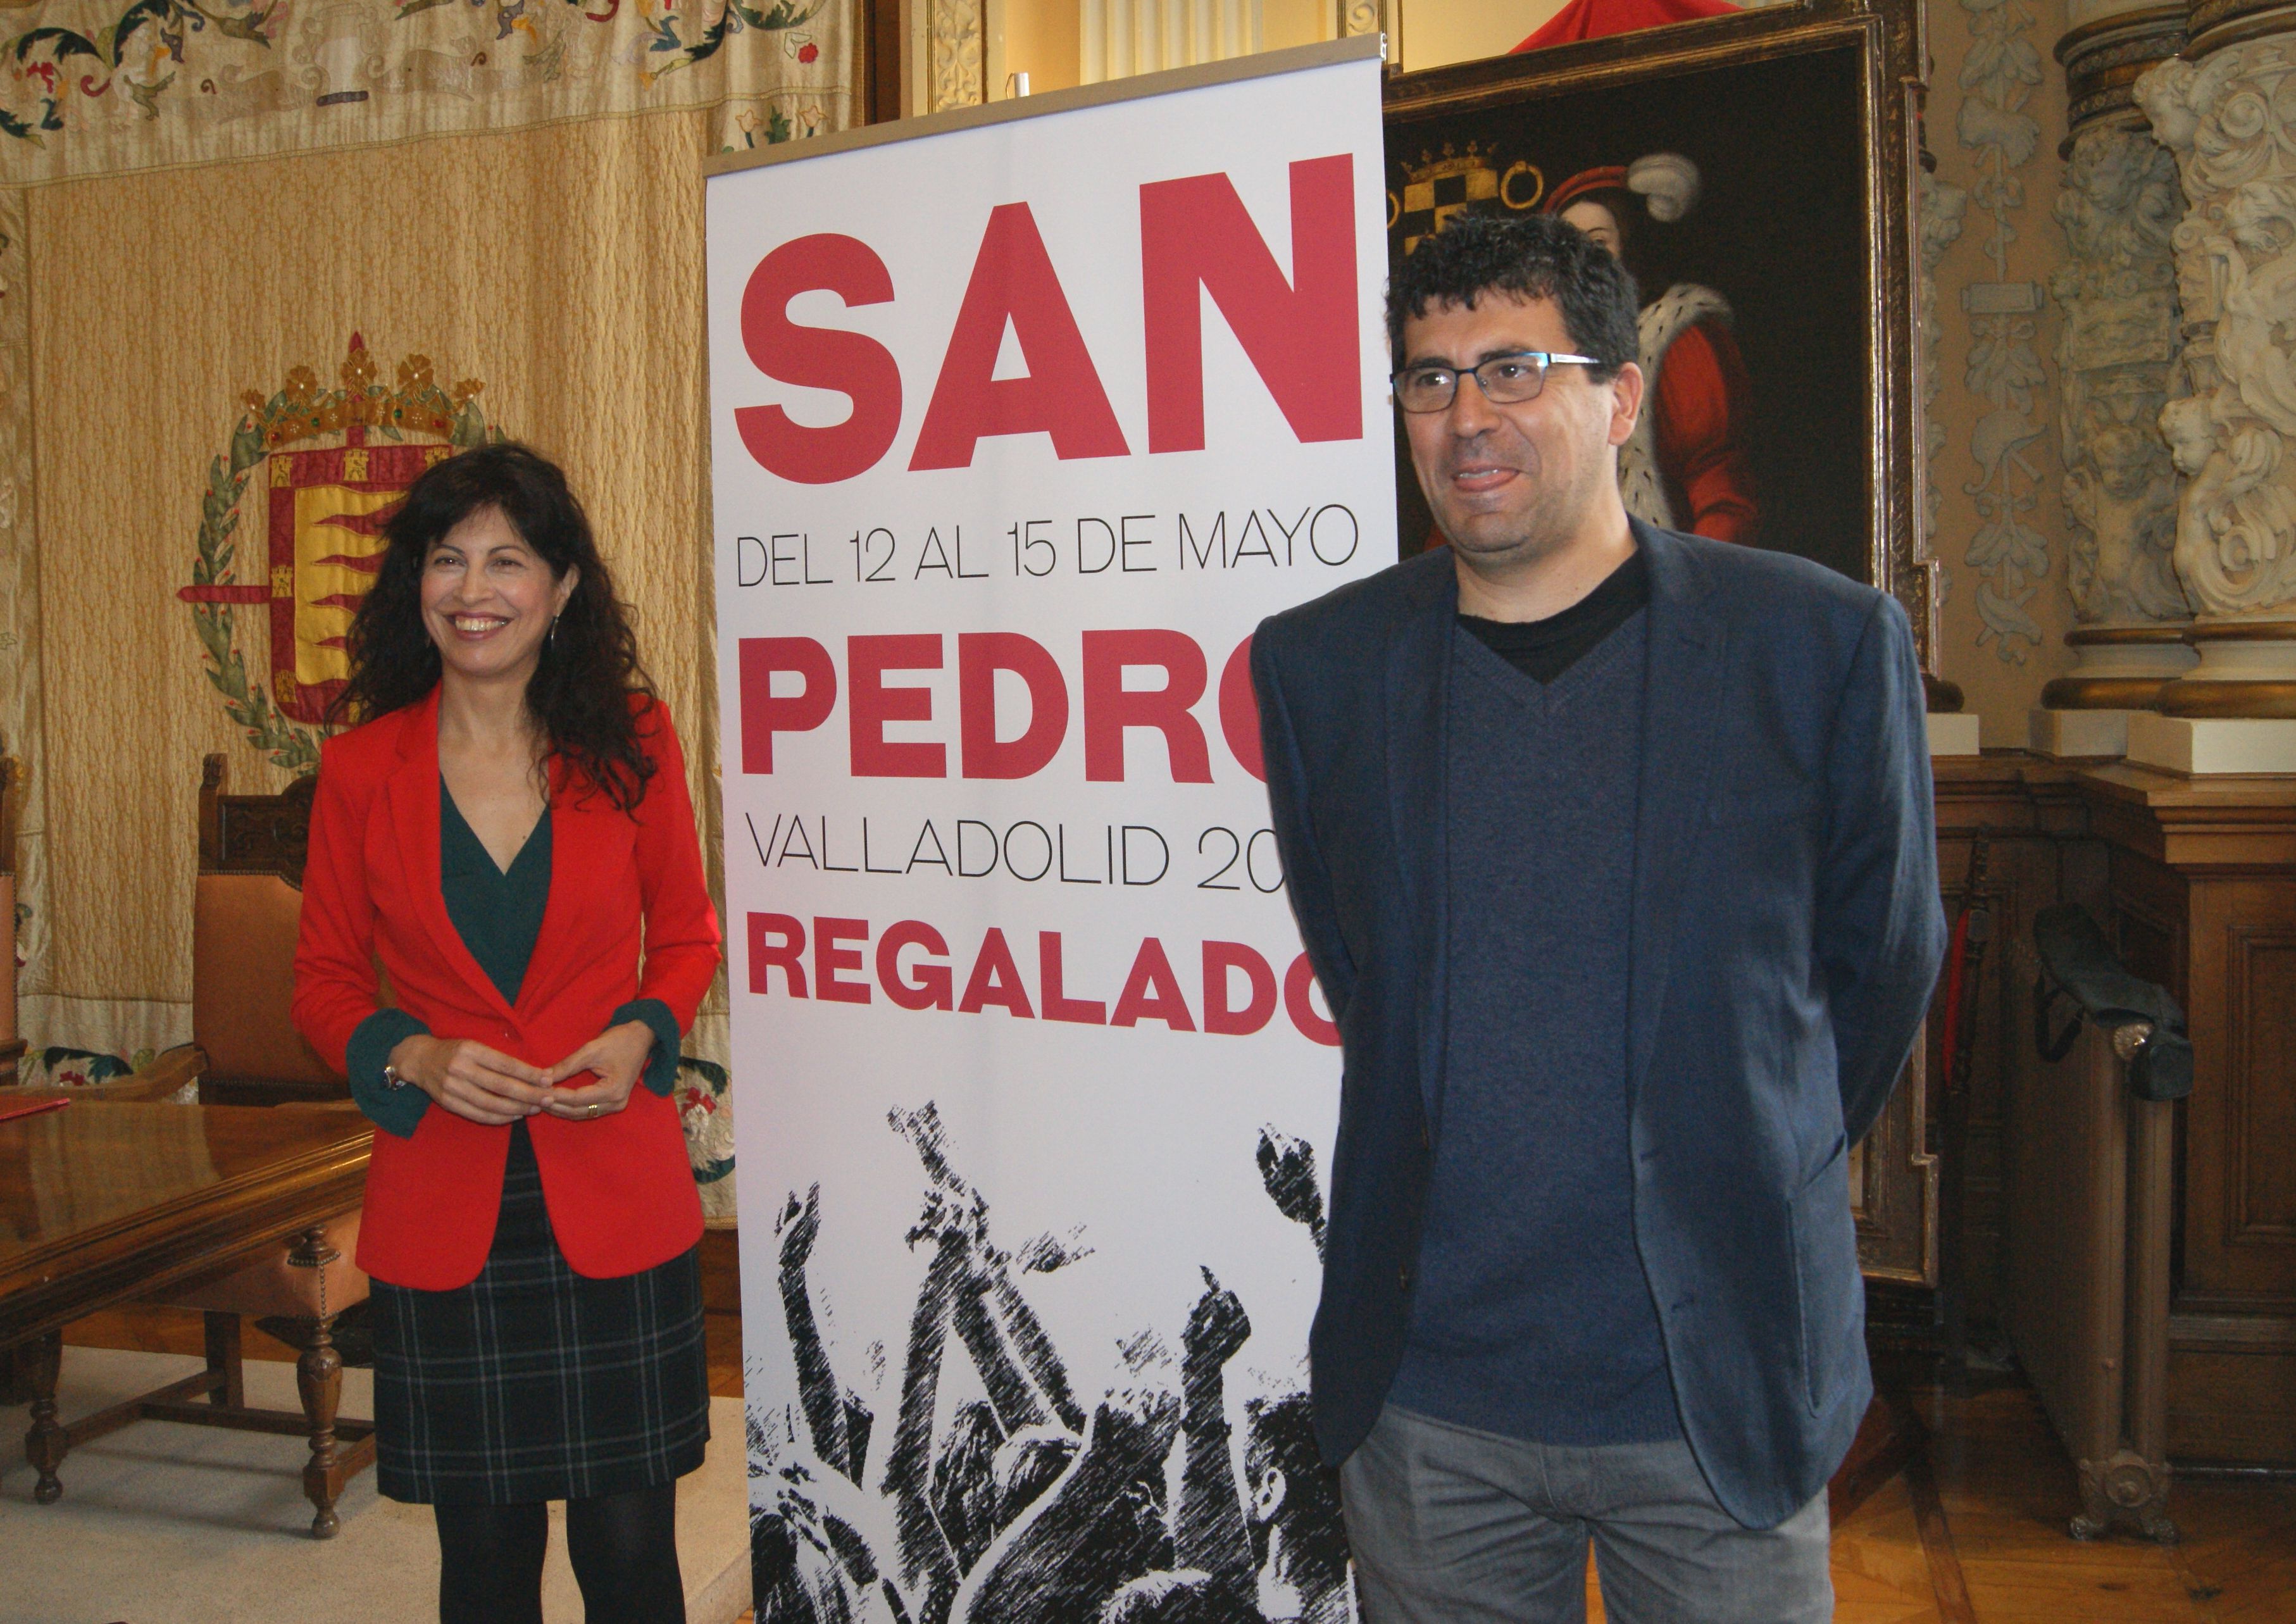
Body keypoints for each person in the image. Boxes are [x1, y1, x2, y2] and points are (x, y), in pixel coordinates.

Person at [1249, 212, 1945, 1621]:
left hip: (1712, 1393)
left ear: (1621, 397)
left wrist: (1750, 1142)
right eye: (1429, 377)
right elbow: (1362, 968)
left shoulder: (1815, 647)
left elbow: (1876, 973)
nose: (1465, 418)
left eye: (1513, 369)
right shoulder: (1318, 668)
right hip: (1430, 1401)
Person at [292, 442, 723, 1624]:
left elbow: (687, 933)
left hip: (613, 1196)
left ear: (562, 587)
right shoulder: (360, 768)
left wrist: (644, 1031)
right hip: (448, 1204)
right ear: (415, 583)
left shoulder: (633, 738)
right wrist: (412, 1053)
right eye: (448, 559)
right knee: (484, 1561)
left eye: (508, 560)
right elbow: (324, 979)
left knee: (630, 1554)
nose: (473, 589)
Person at [1548, 155, 1760, 543]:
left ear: (1630, 248)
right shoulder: (1545, 355)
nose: (1581, 263)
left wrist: (1678, 580)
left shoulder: (1676, 341)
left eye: (1598, 243)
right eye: (1567, 248)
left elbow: (1723, 504)